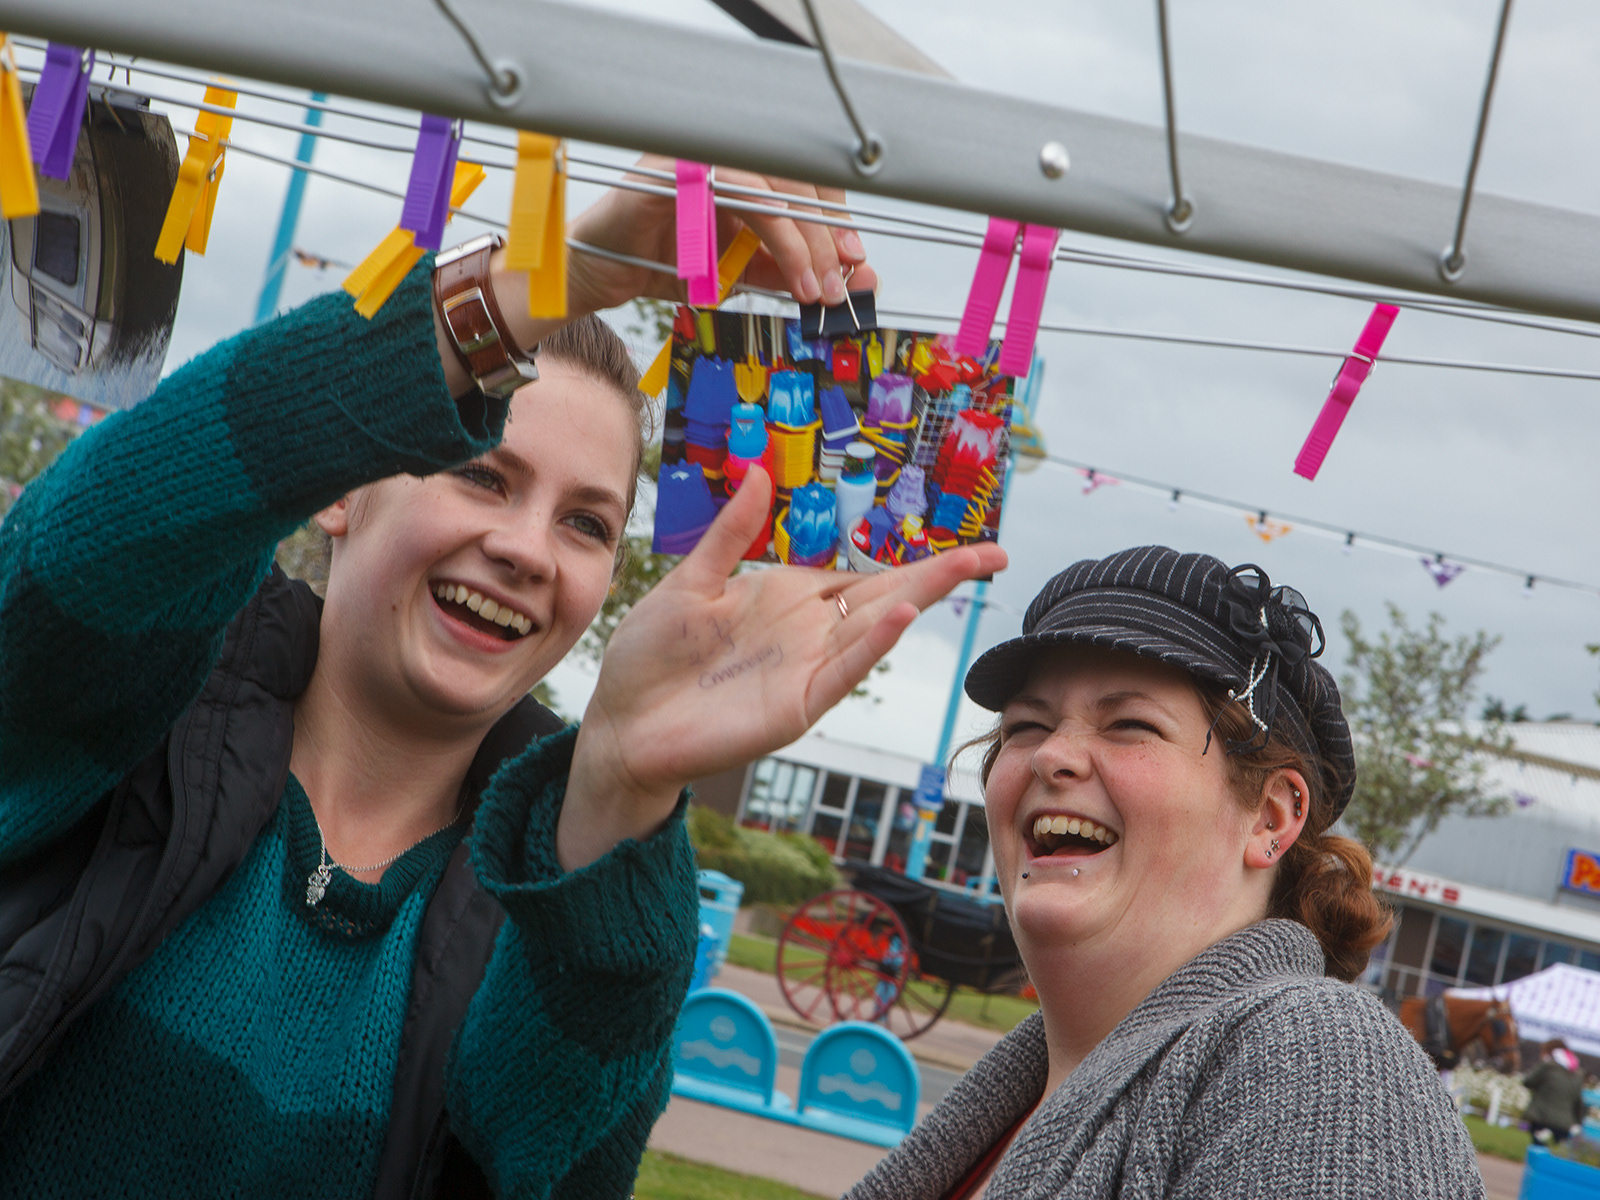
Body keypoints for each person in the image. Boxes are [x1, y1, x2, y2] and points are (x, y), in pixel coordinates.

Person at [0, 157, 1005, 1198]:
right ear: (344, 487)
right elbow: (86, 547)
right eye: (482, 475)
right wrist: (548, 276)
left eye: (585, 523)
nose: (527, 550)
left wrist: (618, 784)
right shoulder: (131, 717)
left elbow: (555, 1166)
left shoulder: (556, 905)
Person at [846, 547, 1485, 1200]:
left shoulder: (1327, 1063)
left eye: (1129, 724)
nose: (1051, 757)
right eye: (1026, 726)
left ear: (1270, 817)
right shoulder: (1024, 1099)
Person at [1524, 1038, 1586, 1144]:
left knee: (1537, 1150)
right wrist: (1578, 1123)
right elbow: (1578, 1101)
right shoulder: (1577, 1073)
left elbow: (1528, 1082)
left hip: (1542, 1119)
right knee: (1555, 1153)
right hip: (1564, 1124)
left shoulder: (1548, 1066)